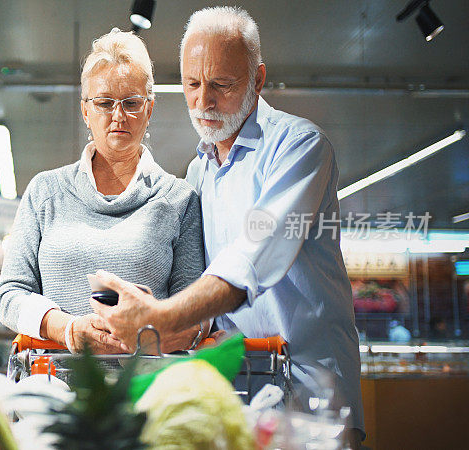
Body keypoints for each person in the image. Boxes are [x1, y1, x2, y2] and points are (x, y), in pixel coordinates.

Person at [91, 7, 365, 443]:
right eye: (192, 84)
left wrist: (162, 315)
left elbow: (250, 260)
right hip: (239, 396)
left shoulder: (299, 147)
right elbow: (208, 293)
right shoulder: (199, 173)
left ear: (257, 80)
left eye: (220, 84)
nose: (203, 102)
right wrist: (171, 320)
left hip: (313, 398)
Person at [0, 28, 205, 354]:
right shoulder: (45, 192)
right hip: (54, 385)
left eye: (131, 103)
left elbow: (194, 307)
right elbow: (10, 294)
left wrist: (162, 328)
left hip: (146, 388)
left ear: (149, 109)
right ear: (85, 111)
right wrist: (67, 329)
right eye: (105, 103)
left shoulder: (179, 200)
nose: (118, 116)